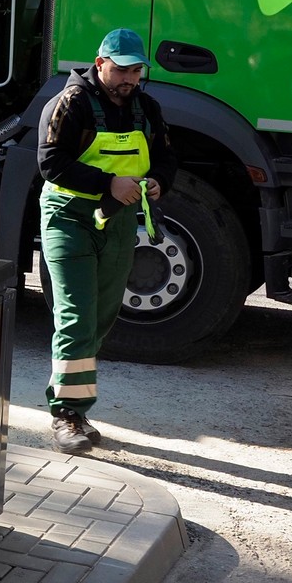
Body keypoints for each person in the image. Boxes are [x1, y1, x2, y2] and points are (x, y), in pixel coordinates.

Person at [36, 27, 176, 454]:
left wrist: (156, 183)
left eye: (136, 71)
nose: (129, 79)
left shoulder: (146, 108)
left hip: (117, 223)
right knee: (77, 315)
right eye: (121, 70)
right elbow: (49, 162)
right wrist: (107, 184)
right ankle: (66, 414)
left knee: (101, 318)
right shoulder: (71, 103)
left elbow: (167, 158)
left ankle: (75, 403)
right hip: (68, 218)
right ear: (100, 64)